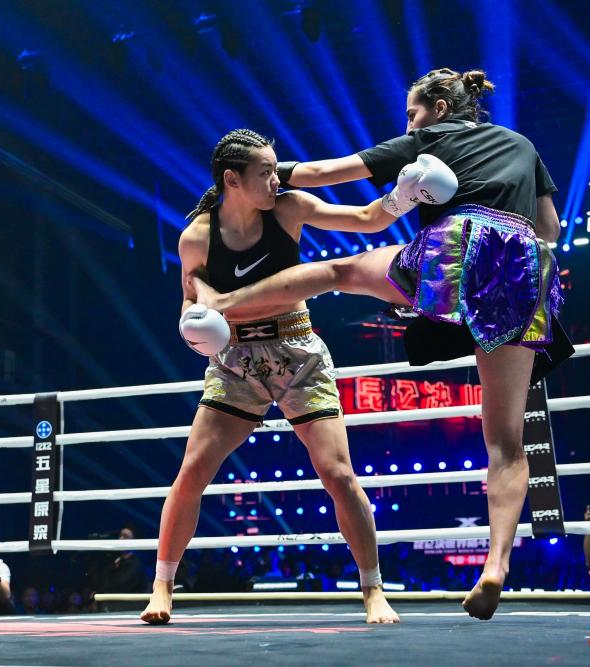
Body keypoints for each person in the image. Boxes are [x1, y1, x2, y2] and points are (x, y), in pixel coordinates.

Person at [193, 70, 571, 620]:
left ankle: (220, 303)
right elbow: (550, 227)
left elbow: (326, 173)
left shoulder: (429, 137)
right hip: (525, 268)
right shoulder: (523, 144)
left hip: (458, 246)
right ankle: (495, 566)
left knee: (339, 271)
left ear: (439, 108)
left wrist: (266, 173)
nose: (409, 124)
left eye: (413, 114)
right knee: (506, 443)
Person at [142, 128, 433, 627]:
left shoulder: (290, 208)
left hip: (298, 349)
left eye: (276, 169)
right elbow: (189, 301)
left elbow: (365, 220)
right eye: (266, 172)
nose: (278, 179)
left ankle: (373, 591)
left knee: (337, 473)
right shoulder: (197, 236)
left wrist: (405, 195)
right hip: (235, 358)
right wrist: (195, 327)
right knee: (193, 471)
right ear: (232, 180)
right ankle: (162, 587)